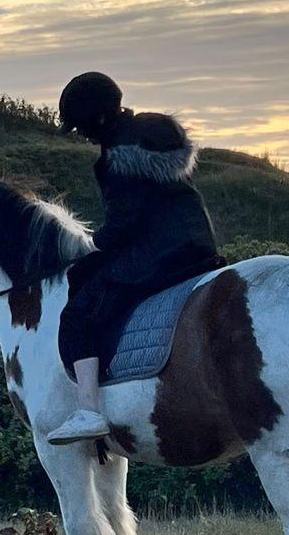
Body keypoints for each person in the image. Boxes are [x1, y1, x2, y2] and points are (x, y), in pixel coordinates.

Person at [48, 72, 222, 446]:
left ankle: (89, 411)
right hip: (197, 241)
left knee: (80, 312)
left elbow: (124, 223)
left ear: (97, 117)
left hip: (159, 250)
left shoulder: (118, 156)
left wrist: (91, 244)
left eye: (81, 126)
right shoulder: (151, 135)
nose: (81, 134)